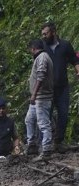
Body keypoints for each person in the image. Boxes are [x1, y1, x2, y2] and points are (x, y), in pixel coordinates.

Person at [41, 22, 79, 151]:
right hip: (47, 88)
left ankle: (58, 141)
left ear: (53, 32)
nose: (44, 36)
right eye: (42, 34)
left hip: (62, 87)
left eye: (45, 33)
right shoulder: (42, 47)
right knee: (46, 115)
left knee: (63, 114)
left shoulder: (65, 45)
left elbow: (74, 59)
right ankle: (45, 144)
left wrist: (77, 69)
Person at [25, 38, 55, 159]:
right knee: (29, 119)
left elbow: (41, 75)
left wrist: (34, 94)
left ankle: (46, 150)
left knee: (43, 123)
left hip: (42, 97)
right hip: (38, 97)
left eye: (30, 49)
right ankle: (32, 145)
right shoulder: (41, 57)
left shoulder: (42, 57)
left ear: (33, 48)